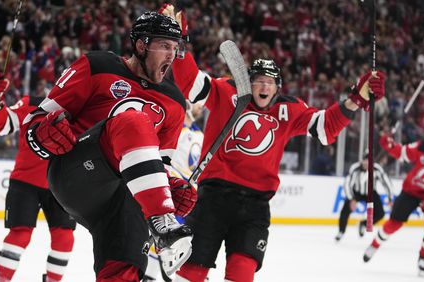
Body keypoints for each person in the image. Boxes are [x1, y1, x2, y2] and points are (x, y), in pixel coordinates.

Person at [159, 5, 386, 281]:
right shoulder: (226, 91)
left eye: (269, 82)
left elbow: (326, 128)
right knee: (190, 274)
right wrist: (176, 42)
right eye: (257, 81)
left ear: (278, 87)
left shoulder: (289, 110)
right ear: (248, 82)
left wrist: (357, 98)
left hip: (254, 207)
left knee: (241, 274)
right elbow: (190, 82)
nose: (263, 87)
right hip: (213, 200)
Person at [21, 12, 197, 281]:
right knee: (134, 122)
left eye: (175, 48)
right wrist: (43, 131)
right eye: (164, 46)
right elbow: (36, 118)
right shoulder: (98, 65)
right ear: (141, 45)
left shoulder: (174, 101)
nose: (171, 55)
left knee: (122, 271)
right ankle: (162, 220)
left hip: (123, 198)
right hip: (77, 174)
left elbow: (159, 164)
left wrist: (172, 188)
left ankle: (160, 217)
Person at [0, 76, 76, 282]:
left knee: (64, 238)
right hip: (25, 183)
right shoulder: (30, 104)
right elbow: (1, 125)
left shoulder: (78, 111)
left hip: (59, 185)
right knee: (20, 235)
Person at [363, 125, 424, 275]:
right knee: (393, 224)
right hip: (411, 192)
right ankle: (375, 244)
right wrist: (389, 145)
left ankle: (423, 258)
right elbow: (403, 153)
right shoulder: (423, 147)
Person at [144, 100, 204, 282]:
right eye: (198, 104)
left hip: (188, 201)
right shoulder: (172, 132)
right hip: (172, 197)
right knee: (165, 240)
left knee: (174, 245)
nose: (201, 108)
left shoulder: (198, 134)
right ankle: (149, 274)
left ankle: (155, 273)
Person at [335, 151, 393, 242]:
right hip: (356, 192)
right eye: (365, 160)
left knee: (380, 213)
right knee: (345, 211)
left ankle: (363, 224)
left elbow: (387, 183)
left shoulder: (377, 169)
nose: (366, 163)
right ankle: (341, 231)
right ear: (361, 161)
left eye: (369, 161)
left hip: (371, 193)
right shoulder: (355, 168)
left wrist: (390, 198)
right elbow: (347, 183)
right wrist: (352, 199)